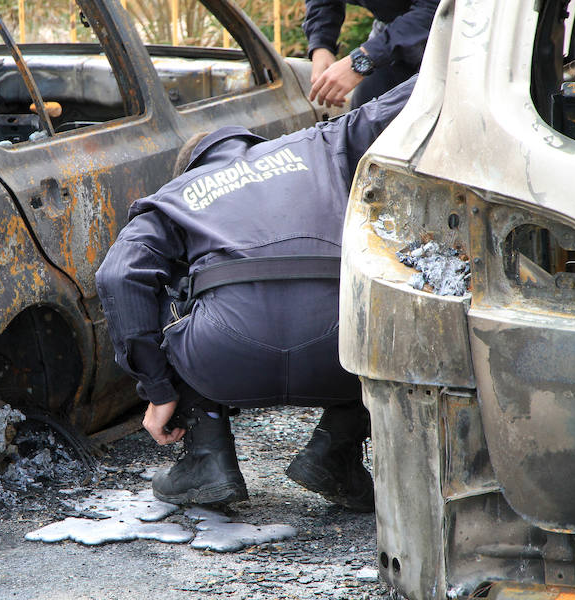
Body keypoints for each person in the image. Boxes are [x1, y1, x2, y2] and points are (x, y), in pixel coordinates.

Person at [95, 77, 416, 512]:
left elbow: (117, 277)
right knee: (373, 290)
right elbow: (410, 94)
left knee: (164, 282)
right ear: (253, 145)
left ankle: (207, 458)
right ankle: (336, 451)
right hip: (341, 354)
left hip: (222, 357)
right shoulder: (322, 143)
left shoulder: (172, 196)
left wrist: (157, 389)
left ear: (193, 167)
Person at [303, 0, 437, 108]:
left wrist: (363, 60)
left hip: (447, 34)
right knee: (363, 115)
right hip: (390, 30)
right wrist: (321, 45)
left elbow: (434, 8)